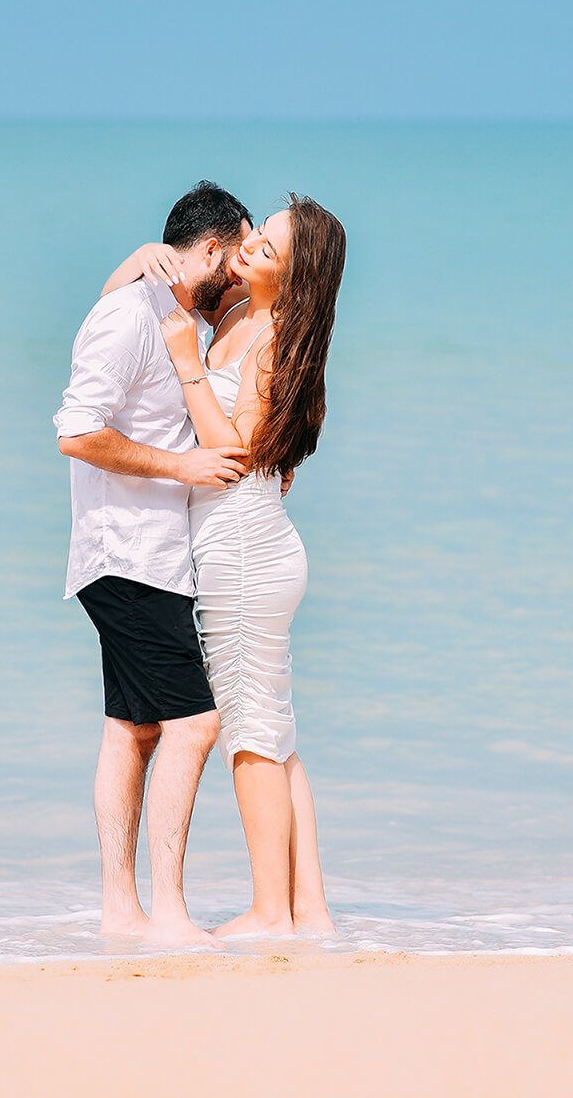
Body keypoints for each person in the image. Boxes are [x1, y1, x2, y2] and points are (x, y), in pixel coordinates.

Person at [53, 181, 254, 946]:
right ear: (211, 249)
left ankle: (121, 911)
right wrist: (186, 467)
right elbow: (76, 432)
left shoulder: (165, 312)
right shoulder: (128, 315)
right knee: (195, 724)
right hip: (127, 554)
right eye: (236, 261)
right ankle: (168, 911)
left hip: (150, 557)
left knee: (131, 731)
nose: (235, 278)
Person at [161, 194, 347, 938]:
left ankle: (271, 911)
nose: (246, 250)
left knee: (249, 736)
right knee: (275, 733)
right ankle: (312, 911)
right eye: (255, 236)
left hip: (243, 546)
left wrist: (185, 368)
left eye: (264, 250)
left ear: (291, 280)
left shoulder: (271, 335)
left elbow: (230, 456)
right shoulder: (242, 315)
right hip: (253, 542)